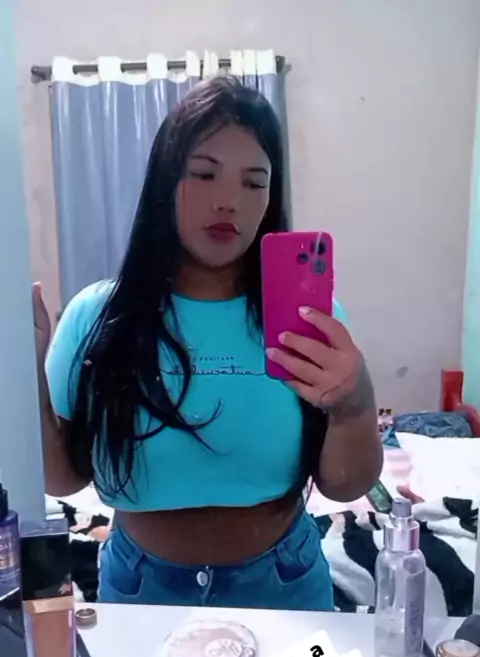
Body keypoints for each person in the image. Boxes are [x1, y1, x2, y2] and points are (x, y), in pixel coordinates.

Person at [34, 75, 382, 610]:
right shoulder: (96, 317)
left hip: (285, 585)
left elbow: (343, 486)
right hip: (141, 589)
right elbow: (62, 479)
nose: (228, 202)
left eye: (254, 183)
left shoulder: (310, 322)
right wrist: (25, 372)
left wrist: (355, 404)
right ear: (165, 180)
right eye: (203, 173)